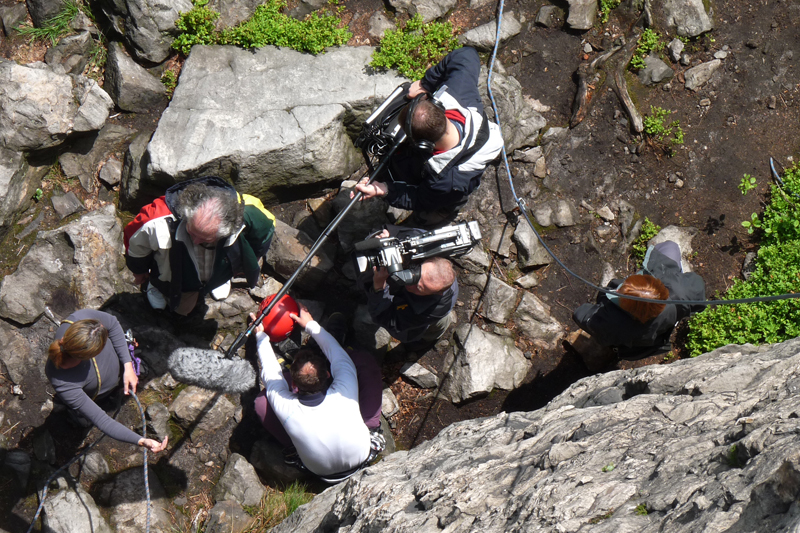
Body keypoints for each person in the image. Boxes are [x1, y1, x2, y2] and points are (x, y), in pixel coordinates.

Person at [352, 46, 504, 225]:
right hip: (447, 159)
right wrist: (426, 83)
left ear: (422, 145)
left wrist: (384, 190)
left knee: (434, 208)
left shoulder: (447, 181)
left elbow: (420, 199)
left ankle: (439, 217)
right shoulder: (460, 95)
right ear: (439, 108)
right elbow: (467, 55)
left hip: (444, 194)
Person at [252, 308, 383, 483]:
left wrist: (261, 336)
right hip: (364, 455)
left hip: (320, 472)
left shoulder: (286, 407)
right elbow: (337, 353)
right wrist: (310, 325)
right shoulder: (345, 387)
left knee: (262, 401)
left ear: (293, 385)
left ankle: (296, 445)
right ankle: (370, 424)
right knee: (362, 360)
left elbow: (270, 375)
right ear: (329, 374)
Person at [124, 176, 276, 315]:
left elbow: (265, 233)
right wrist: (139, 270)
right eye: (192, 232)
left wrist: (243, 263)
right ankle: (157, 287)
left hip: (219, 268)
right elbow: (135, 245)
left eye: (205, 238)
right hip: (172, 272)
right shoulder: (155, 219)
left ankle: (216, 281)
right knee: (181, 310)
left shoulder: (249, 211)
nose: (196, 241)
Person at [45, 309, 167, 453]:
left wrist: (128, 365)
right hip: (98, 393)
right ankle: (77, 415)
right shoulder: (64, 382)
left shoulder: (79, 319)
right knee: (85, 419)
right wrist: (141, 440)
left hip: (119, 374)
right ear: (90, 356)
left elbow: (113, 324)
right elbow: (102, 420)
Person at [573, 241, 706, 358]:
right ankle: (672, 322)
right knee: (669, 247)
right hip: (668, 317)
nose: (618, 290)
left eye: (620, 294)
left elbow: (580, 314)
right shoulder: (681, 291)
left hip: (636, 345)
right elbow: (698, 286)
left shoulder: (614, 324)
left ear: (631, 311)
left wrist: (597, 312)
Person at [361, 227, 458, 346]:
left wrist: (379, 286)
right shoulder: (419, 243)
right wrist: (384, 242)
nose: (411, 286)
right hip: (400, 294)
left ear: (436, 293)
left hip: (414, 318)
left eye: (420, 288)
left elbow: (388, 320)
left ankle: (430, 338)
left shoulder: (437, 308)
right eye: (416, 277)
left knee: (431, 327)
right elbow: (389, 231)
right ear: (425, 260)